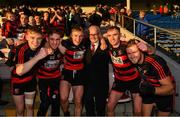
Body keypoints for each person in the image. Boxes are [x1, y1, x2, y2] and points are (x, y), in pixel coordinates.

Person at [105, 26, 155, 116]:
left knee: (137, 111)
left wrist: (147, 47)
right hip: (120, 81)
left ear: (120, 35)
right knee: (109, 106)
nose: (112, 38)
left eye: (115, 35)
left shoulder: (127, 46)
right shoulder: (107, 45)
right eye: (109, 35)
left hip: (135, 81)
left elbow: (152, 51)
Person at [8, 27, 52, 116]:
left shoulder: (41, 48)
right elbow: (20, 71)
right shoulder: (21, 49)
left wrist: (48, 50)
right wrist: (38, 57)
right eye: (32, 38)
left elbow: (49, 42)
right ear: (26, 37)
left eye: (39, 38)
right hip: (18, 83)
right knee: (20, 109)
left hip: (31, 81)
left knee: (30, 107)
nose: (36, 42)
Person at [126, 39, 175, 116]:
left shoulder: (155, 63)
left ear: (141, 51)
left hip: (164, 94)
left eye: (134, 52)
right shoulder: (135, 61)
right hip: (149, 91)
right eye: (129, 53)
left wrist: (152, 90)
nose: (131, 56)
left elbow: (170, 89)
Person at [83, 25, 109, 116]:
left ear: (99, 34)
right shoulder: (84, 44)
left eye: (95, 34)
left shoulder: (106, 45)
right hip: (87, 83)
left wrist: (103, 40)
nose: (93, 36)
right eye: (91, 34)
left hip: (101, 84)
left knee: (101, 108)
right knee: (88, 106)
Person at [36, 29, 64, 116]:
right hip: (43, 80)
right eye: (52, 39)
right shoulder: (41, 49)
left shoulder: (61, 48)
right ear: (47, 39)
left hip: (56, 79)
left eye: (57, 39)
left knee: (56, 103)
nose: (55, 42)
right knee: (45, 103)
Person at [59, 26, 85, 116]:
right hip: (67, 72)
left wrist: (102, 40)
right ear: (71, 35)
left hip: (80, 73)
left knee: (78, 101)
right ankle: (66, 113)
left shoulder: (85, 43)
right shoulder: (66, 42)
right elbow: (50, 42)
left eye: (80, 36)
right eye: (75, 35)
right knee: (63, 98)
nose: (78, 38)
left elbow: (99, 37)